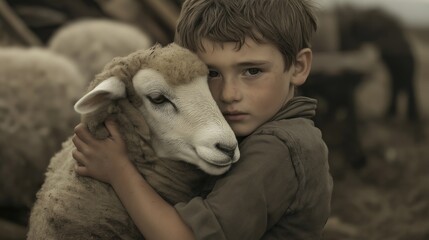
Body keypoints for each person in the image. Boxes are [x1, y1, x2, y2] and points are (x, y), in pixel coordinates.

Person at [72, 0, 333, 239]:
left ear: (298, 67)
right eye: (211, 73)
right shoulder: (265, 134)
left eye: (252, 71)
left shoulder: (278, 149)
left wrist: (119, 171)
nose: (229, 94)